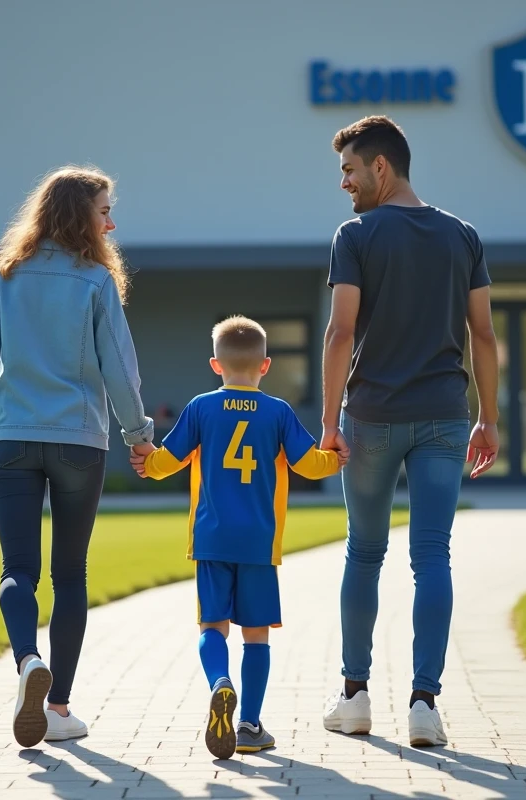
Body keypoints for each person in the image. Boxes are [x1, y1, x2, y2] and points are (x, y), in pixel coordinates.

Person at [0, 166, 154, 747]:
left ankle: (25, 663)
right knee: (70, 574)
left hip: (11, 438)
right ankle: (59, 707)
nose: (111, 222)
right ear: (78, 214)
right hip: (78, 442)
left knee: (17, 570)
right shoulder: (95, 281)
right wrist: (139, 434)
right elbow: (120, 365)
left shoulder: (5, 275)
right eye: (104, 211)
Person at [317, 116, 501, 747]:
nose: (343, 183)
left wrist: (326, 424)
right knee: (432, 557)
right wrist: (489, 419)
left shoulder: (356, 235)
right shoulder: (463, 236)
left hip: (369, 417)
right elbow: (483, 334)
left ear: (380, 168)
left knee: (364, 552)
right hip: (447, 415)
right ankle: (425, 705)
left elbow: (341, 332)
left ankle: (356, 697)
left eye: (348, 170)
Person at [130, 316, 345, 758]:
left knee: (213, 625)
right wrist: (335, 459)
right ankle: (249, 724)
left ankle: (218, 683)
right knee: (257, 634)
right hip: (259, 543)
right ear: (265, 366)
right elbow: (309, 464)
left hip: (211, 538)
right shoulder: (279, 412)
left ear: (216, 364)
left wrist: (147, 462)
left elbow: (167, 461)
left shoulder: (201, 408)